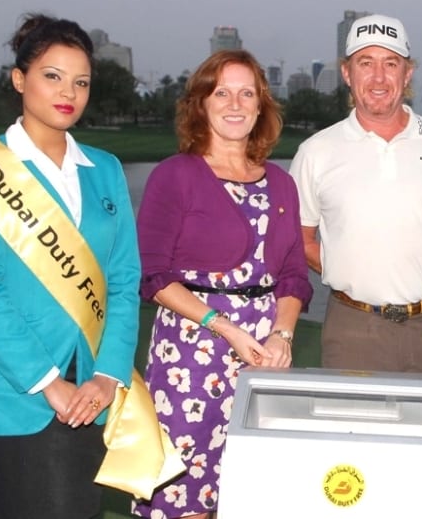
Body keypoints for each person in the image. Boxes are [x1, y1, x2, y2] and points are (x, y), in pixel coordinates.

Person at [0, 14, 140, 518]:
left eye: (81, 81)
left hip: (89, 400)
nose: (68, 91)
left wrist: (108, 377)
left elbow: (123, 280)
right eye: (52, 76)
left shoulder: (106, 170)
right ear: (19, 79)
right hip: (7, 401)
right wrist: (50, 382)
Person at [132, 49, 312, 519]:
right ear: (201, 104)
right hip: (192, 353)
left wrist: (283, 333)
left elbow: (293, 271)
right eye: (222, 92)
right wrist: (226, 328)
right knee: (185, 497)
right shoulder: (176, 175)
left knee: (248, 489)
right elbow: (153, 275)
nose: (235, 103)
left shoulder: (280, 182)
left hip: (264, 355)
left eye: (246, 92)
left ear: (261, 105)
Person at [289, 14, 422, 375]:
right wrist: (356, 271)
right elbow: (302, 239)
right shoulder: (316, 151)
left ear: (407, 74)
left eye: (391, 63)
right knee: (353, 430)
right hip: (353, 329)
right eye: (365, 63)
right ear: (347, 73)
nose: (378, 77)